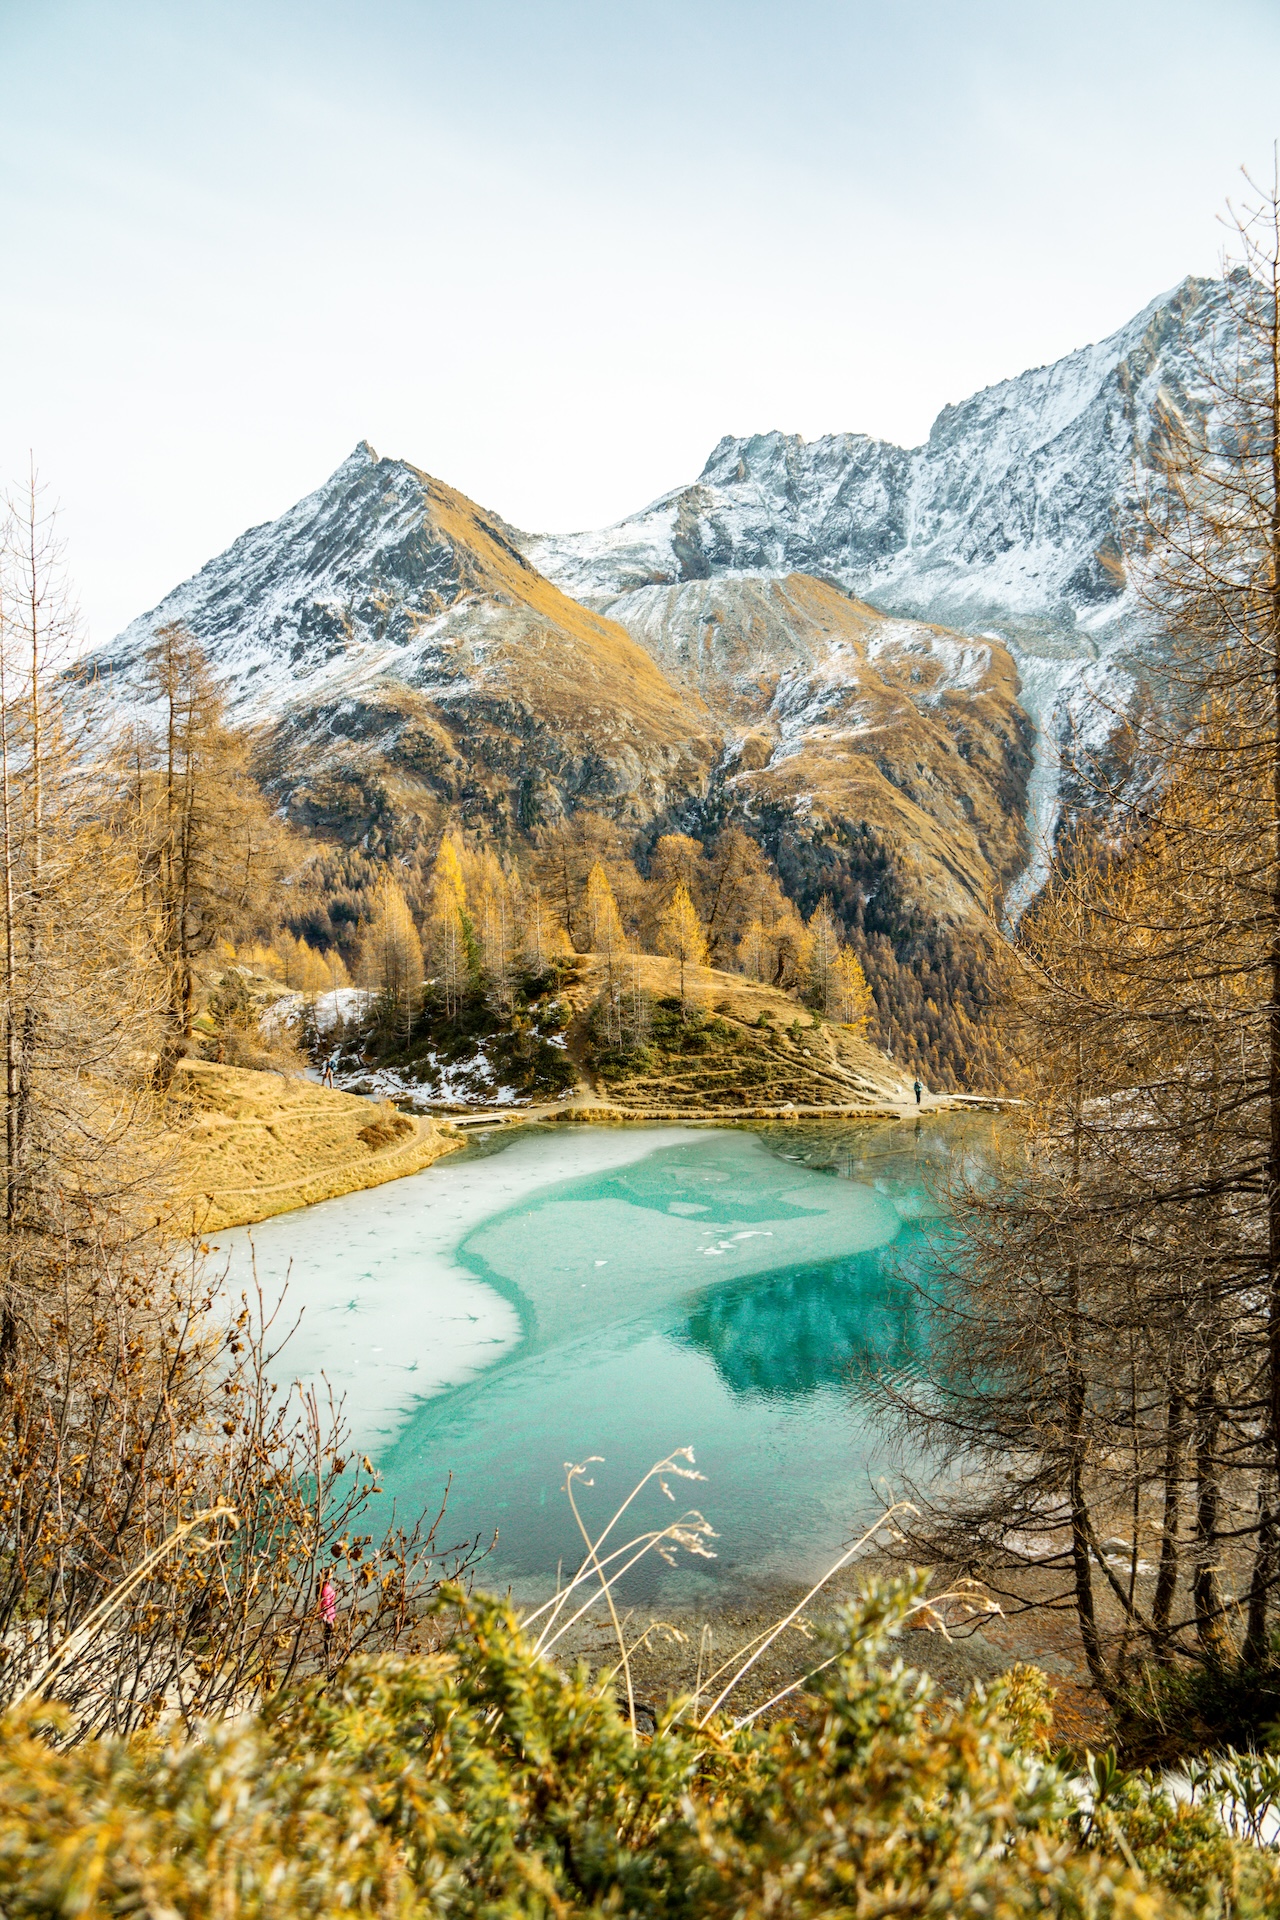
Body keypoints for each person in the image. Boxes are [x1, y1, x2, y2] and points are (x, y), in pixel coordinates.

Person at [318, 1572, 337, 1670]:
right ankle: (328, 1659)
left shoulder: (325, 1586)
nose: (332, 1574)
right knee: (328, 1638)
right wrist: (330, 1620)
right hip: (328, 1617)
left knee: (328, 1638)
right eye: (330, 1573)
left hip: (330, 1615)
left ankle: (328, 1657)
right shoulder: (325, 1589)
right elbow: (325, 1606)